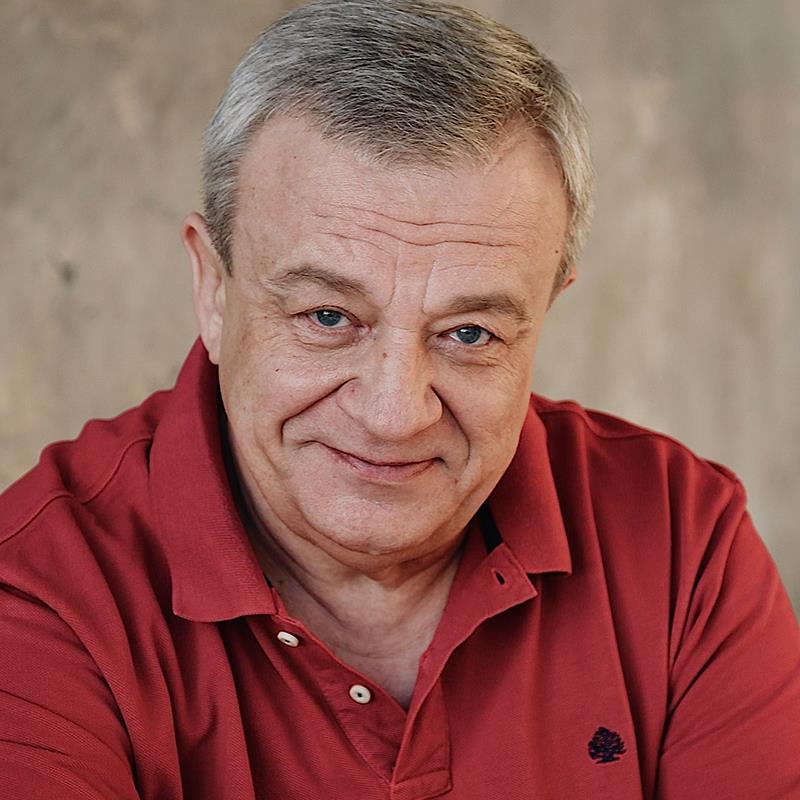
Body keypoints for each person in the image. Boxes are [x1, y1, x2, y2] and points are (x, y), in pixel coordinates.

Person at [1, 0, 798, 797]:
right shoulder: (45, 594)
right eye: (328, 317)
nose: (395, 414)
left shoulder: (680, 540)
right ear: (213, 290)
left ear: (544, 312)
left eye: (469, 333)